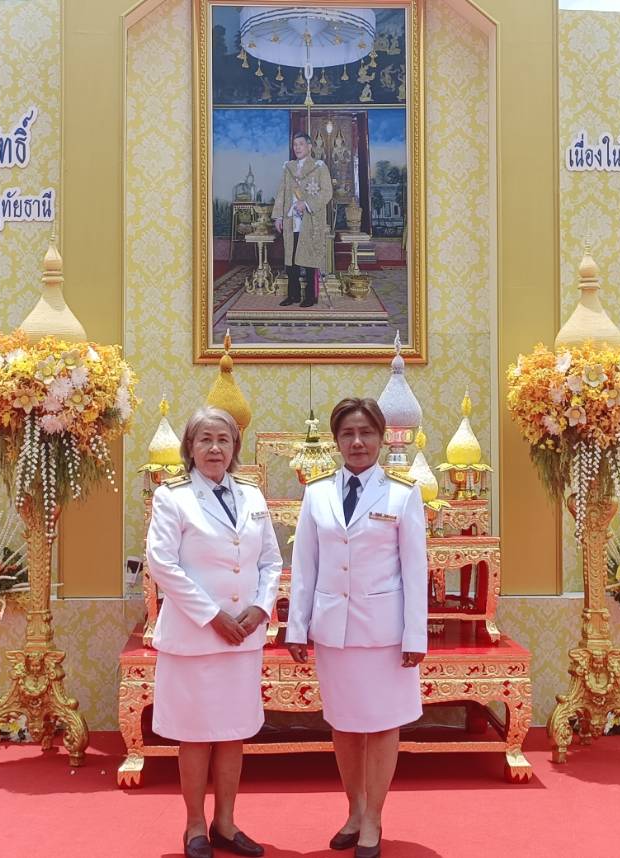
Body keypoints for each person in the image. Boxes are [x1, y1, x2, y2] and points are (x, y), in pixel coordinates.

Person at [285, 397, 427, 858]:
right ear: (336, 440)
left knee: (382, 726)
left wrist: (416, 635)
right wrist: (296, 626)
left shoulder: (402, 494)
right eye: (348, 433)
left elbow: (415, 569)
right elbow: (305, 565)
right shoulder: (317, 493)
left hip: (384, 634)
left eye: (366, 432)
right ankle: (353, 810)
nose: (358, 442)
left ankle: (374, 818)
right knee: (344, 725)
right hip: (334, 632)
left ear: (381, 438)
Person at [143, 405, 282, 858]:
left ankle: (226, 822)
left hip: (243, 636)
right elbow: (162, 564)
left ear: (235, 446)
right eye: (205, 439)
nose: (215, 448)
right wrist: (212, 616)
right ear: (190, 446)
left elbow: (271, 561)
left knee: (232, 731)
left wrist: (260, 608)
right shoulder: (173, 497)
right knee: (196, 733)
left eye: (223, 439)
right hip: (195, 637)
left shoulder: (252, 496)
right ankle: (195, 826)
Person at [272, 131, 333, 309]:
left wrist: (306, 204)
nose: (297, 148)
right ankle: (293, 295)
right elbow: (282, 193)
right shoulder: (288, 167)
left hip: (310, 220)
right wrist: (278, 216)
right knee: (291, 258)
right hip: (291, 220)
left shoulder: (319, 167)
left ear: (309, 146)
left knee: (310, 258)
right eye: (295, 145)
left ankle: (311, 296)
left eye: (301, 144)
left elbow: (327, 193)